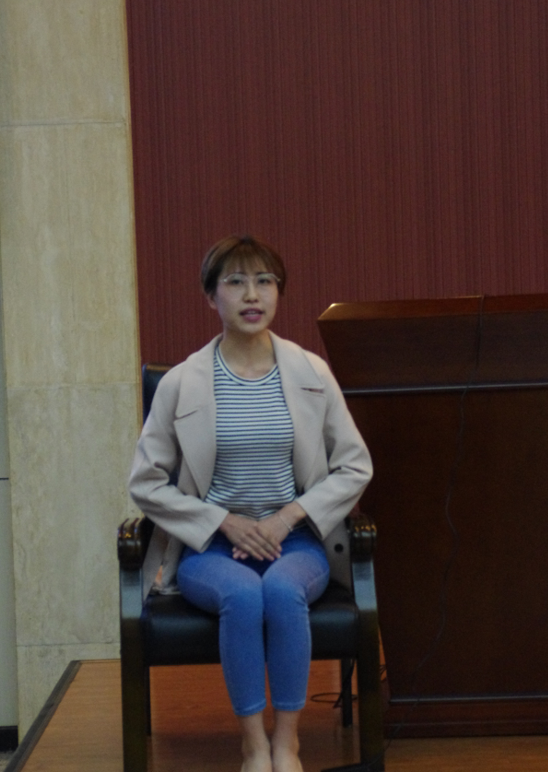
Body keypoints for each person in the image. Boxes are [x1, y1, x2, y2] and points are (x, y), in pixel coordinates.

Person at [129, 234, 372, 772]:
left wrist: (287, 518)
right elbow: (145, 482)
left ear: (278, 291)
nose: (252, 294)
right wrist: (223, 522)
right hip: (211, 549)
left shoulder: (311, 372)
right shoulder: (181, 383)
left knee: (282, 592)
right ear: (211, 296)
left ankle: (287, 742)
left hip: (297, 543)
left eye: (264, 281)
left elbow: (356, 465)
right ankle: (253, 744)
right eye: (235, 282)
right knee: (242, 596)